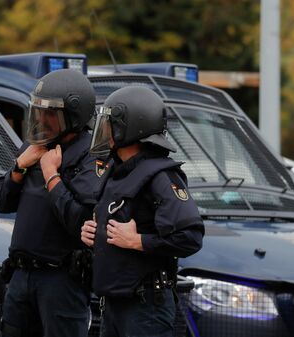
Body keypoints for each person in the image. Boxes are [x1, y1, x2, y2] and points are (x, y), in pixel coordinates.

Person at [80, 86, 205, 337]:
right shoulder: (116, 171)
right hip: (114, 304)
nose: (104, 130)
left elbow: (191, 237)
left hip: (145, 308)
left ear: (131, 128)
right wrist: (93, 232)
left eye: (111, 123)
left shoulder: (160, 175)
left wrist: (138, 241)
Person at [0, 69, 98, 337]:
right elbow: (4, 202)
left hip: (60, 280)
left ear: (74, 116)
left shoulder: (90, 155)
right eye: (38, 110)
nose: (42, 118)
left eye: (51, 113)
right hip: (21, 274)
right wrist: (20, 166)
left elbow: (81, 220)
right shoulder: (34, 145)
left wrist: (52, 175)